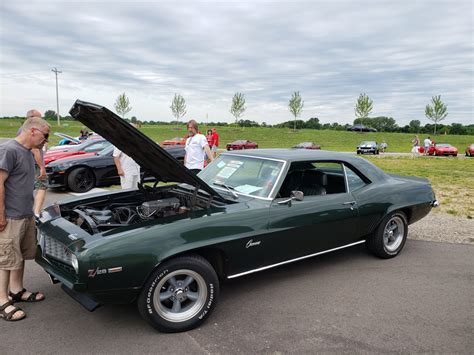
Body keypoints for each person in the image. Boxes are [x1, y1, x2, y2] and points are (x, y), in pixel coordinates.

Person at [0, 115, 50, 322]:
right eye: (45, 135)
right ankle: (2, 301)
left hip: (25, 214)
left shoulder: (29, 152)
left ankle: (16, 290)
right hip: (9, 216)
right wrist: (0, 215)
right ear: (33, 131)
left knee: (19, 255)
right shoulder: (8, 150)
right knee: (5, 260)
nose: (46, 140)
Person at [16, 110, 48, 217]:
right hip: (35, 163)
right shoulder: (31, 132)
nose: (41, 120)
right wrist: (42, 167)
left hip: (28, 162)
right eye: (39, 118)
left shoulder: (22, 130)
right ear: (31, 118)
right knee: (42, 186)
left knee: (28, 187)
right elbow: (35, 150)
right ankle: (37, 212)